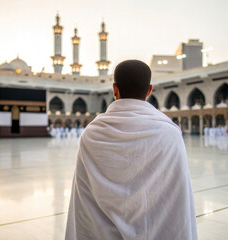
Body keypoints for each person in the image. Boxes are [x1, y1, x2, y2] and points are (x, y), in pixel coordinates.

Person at [65, 60, 197, 240]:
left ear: (115, 89)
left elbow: (83, 200)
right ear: (149, 90)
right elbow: (177, 200)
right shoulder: (169, 133)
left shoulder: (92, 134)